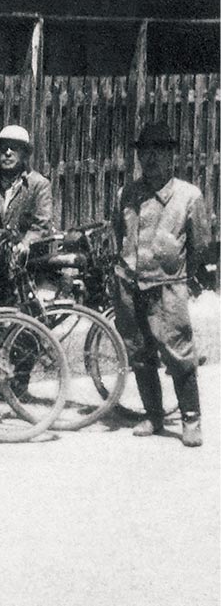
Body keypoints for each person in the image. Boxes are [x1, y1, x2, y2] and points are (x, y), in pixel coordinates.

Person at [112, 120, 211, 447]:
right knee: (139, 353)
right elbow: (119, 234)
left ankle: (190, 419)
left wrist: (184, 275)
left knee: (178, 353)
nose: (150, 158)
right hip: (130, 284)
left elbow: (201, 245)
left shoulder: (189, 196)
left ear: (171, 156)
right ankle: (153, 414)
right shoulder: (127, 193)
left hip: (168, 285)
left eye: (158, 151)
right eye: (145, 152)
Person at [0, 125, 53, 251]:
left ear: (24, 154)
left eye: (14, 148)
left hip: (28, 260)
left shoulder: (39, 185)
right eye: (3, 148)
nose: (8, 153)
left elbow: (42, 225)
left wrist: (25, 244)